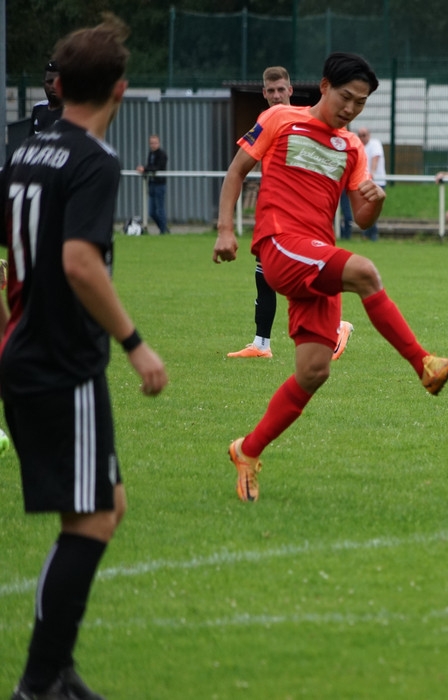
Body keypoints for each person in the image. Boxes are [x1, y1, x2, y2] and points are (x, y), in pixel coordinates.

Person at [0, 15, 169, 700]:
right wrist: (135, 343)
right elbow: (78, 262)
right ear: (120, 90)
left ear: (60, 85)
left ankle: (57, 671)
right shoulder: (93, 159)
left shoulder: (25, 151)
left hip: (28, 352)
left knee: (107, 506)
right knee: (93, 518)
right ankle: (40, 683)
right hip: (62, 362)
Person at [212, 52, 448, 503]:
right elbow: (236, 172)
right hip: (280, 244)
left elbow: (362, 219)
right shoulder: (280, 118)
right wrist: (226, 229)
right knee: (365, 271)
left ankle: (247, 451)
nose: (351, 109)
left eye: (360, 103)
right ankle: (424, 364)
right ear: (324, 86)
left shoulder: (351, 148)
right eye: (346, 97)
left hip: (318, 256)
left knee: (313, 372)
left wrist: (376, 201)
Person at [228, 67, 354, 361]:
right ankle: (261, 344)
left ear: (290, 90)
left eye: (280, 90)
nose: (276, 95)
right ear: (264, 93)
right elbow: (245, 163)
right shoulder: (268, 120)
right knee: (265, 276)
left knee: (296, 274)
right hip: (275, 213)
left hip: (301, 215)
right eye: (271, 91)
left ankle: (336, 326)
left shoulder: (305, 119)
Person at [136, 133, 168, 234]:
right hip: (152, 184)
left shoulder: (162, 155)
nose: (153, 145)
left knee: (160, 210)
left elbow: (158, 167)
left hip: (160, 184)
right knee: (151, 212)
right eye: (151, 143)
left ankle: (163, 231)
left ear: (159, 143)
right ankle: (163, 228)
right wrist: (144, 169)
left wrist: (145, 169)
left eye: (155, 143)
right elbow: (150, 166)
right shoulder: (151, 154)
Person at [357, 127, 385, 241]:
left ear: (369, 135)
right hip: (365, 183)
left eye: (364, 135)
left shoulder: (375, 144)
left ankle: (372, 235)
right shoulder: (359, 146)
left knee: (373, 209)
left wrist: (371, 174)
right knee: (366, 209)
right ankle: (367, 235)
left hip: (377, 183)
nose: (362, 138)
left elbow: (375, 158)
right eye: (360, 135)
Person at [30, 61, 63, 134]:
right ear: (44, 83)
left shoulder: (71, 113)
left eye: (58, 82)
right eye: (50, 82)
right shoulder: (38, 108)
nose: (54, 86)